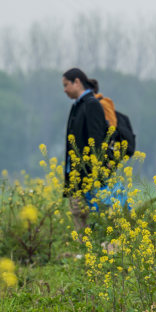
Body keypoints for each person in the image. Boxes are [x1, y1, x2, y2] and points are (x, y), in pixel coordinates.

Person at [62, 68, 107, 232]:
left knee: (91, 217)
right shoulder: (78, 105)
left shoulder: (91, 104)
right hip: (76, 175)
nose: (65, 90)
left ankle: (92, 253)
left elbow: (97, 140)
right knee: (78, 214)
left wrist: (94, 174)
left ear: (77, 82)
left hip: (87, 176)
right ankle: (84, 254)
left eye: (66, 85)